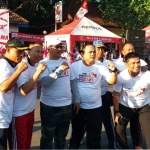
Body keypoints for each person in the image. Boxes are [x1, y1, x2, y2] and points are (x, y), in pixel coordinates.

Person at [69, 43, 117, 149]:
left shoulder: (101, 67)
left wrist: (114, 71)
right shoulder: (74, 66)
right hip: (78, 106)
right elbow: (70, 84)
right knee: (76, 135)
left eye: (93, 52)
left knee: (94, 137)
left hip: (95, 107)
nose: (93, 54)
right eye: (90, 52)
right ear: (82, 54)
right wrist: (75, 100)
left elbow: (112, 80)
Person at [39, 38, 80, 149]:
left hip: (66, 106)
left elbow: (72, 81)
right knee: (47, 138)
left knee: (61, 137)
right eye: (56, 47)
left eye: (61, 47)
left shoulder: (65, 61)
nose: (60, 49)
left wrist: (77, 99)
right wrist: (60, 69)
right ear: (49, 49)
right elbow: (45, 82)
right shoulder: (43, 63)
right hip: (50, 106)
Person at [8, 43, 47, 150]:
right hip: (19, 114)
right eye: (37, 51)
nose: (40, 54)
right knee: (19, 146)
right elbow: (24, 91)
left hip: (30, 112)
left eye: (41, 52)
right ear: (29, 52)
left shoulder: (35, 65)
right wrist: (38, 72)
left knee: (26, 144)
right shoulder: (23, 67)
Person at [113, 43, 148, 149]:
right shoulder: (120, 74)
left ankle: (137, 145)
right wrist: (116, 111)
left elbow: (144, 67)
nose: (136, 65)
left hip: (143, 105)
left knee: (142, 127)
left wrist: (144, 67)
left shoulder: (144, 70)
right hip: (125, 105)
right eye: (133, 63)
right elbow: (116, 95)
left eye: (138, 63)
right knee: (119, 128)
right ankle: (123, 147)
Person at [0, 37, 28, 149]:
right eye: (18, 51)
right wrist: (19, 70)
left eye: (23, 51)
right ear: (7, 50)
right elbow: (3, 88)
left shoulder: (12, 65)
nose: (21, 54)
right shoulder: (3, 65)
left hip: (6, 116)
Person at [94, 40, 117, 149]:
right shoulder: (85, 62)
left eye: (102, 48)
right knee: (86, 123)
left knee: (108, 122)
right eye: (98, 48)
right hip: (88, 98)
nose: (100, 51)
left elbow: (119, 73)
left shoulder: (108, 63)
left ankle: (112, 145)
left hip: (103, 97)